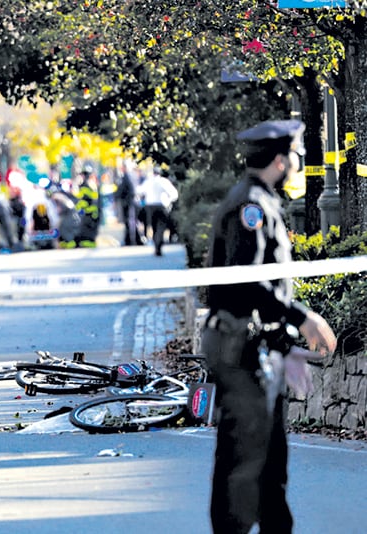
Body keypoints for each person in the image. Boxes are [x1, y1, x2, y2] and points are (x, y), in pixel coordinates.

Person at [201, 119, 337, 533]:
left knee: (271, 463)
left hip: (255, 347)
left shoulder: (259, 200)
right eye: (295, 156)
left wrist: (283, 342)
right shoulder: (250, 207)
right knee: (245, 465)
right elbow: (248, 282)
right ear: (280, 160)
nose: (297, 163)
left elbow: (260, 292)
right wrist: (302, 317)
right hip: (241, 350)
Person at [139, 168, 178, 256]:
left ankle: (156, 245)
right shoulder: (163, 181)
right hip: (161, 205)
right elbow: (174, 194)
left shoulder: (148, 181)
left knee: (153, 226)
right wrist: (168, 200)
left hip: (150, 206)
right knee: (161, 226)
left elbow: (140, 191)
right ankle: (158, 244)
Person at [114, 160, 142, 246]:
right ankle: (135, 239)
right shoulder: (131, 176)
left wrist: (116, 196)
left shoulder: (127, 176)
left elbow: (123, 189)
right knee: (132, 222)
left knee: (130, 222)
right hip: (131, 202)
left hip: (128, 203)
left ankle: (130, 240)